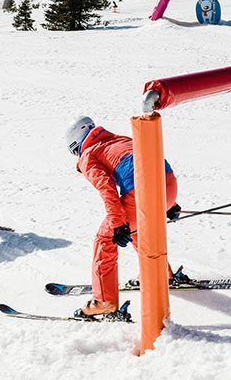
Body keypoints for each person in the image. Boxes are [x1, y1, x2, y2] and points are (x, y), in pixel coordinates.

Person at [65, 116, 183, 319]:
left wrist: (117, 224)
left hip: (142, 194)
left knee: (105, 239)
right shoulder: (119, 139)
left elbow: (107, 189)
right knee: (137, 229)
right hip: (169, 184)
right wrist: (169, 203)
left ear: (77, 145)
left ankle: (104, 301)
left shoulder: (88, 155)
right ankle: (162, 273)